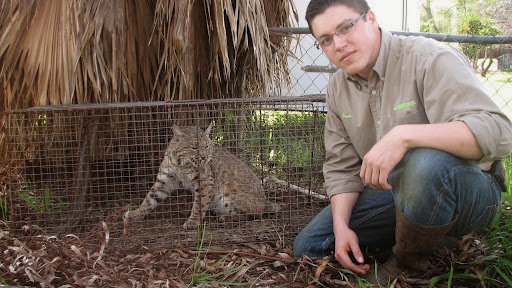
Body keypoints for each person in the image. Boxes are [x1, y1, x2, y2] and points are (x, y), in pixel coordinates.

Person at [293, 0, 512, 284]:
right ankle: (431, 238)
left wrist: (404, 136)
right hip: (398, 192)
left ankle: (410, 263)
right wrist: (342, 226)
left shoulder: (427, 57)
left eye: (346, 27)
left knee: (423, 161)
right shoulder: (338, 87)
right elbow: (341, 167)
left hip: (470, 190)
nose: (339, 43)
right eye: (325, 39)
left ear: (371, 19)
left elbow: (500, 131)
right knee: (311, 245)